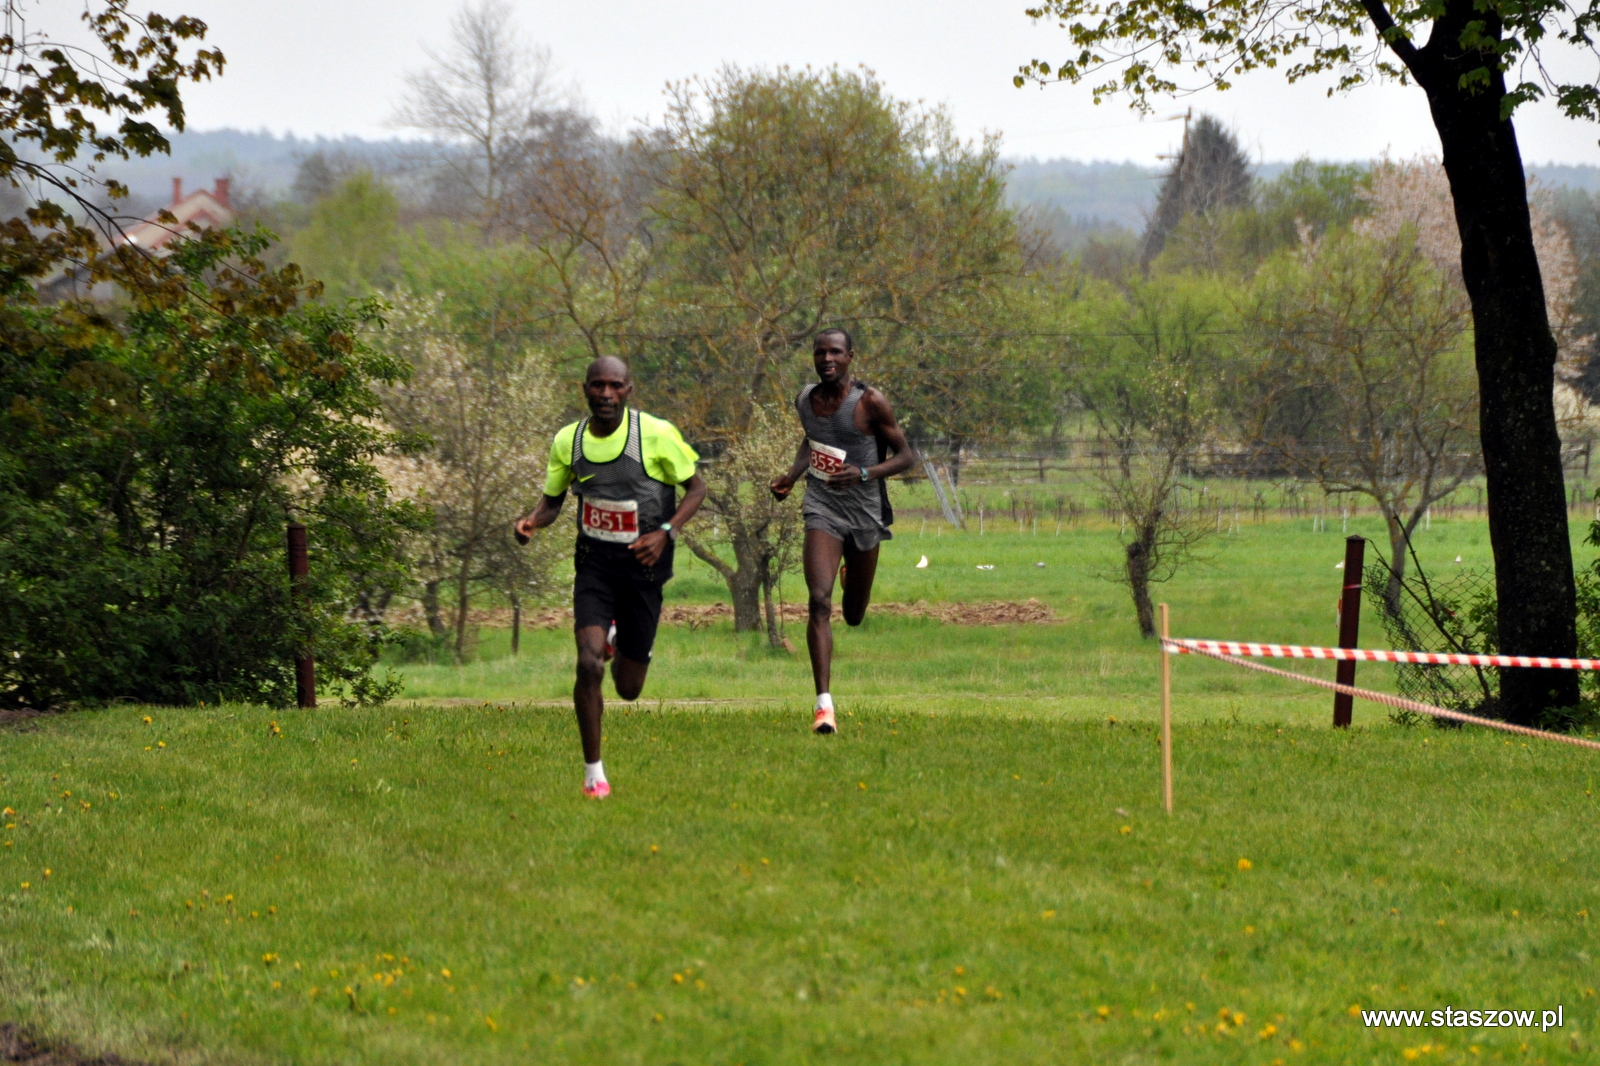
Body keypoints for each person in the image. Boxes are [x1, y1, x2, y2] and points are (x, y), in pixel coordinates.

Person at [515, 356, 706, 798]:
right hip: (595, 567)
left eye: (615, 386)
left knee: (629, 688)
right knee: (587, 664)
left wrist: (666, 533)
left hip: (644, 570)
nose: (605, 394)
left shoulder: (655, 434)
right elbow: (552, 502)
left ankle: (623, 637)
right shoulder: (569, 440)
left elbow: (697, 489)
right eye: (597, 385)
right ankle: (593, 773)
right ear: (584, 389)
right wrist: (530, 522)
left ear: (628, 390)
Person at [769, 329, 915, 733]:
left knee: (852, 615)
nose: (827, 358)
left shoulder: (870, 402)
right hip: (823, 508)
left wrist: (865, 472)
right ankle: (823, 706)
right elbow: (812, 441)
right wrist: (792, 477)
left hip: (865, 514)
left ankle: (851, 574)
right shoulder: (805, 399)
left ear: (851, 356)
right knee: (818, 601)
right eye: (820, 352)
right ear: (813, 358)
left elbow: (907, 456)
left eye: (835, 352)